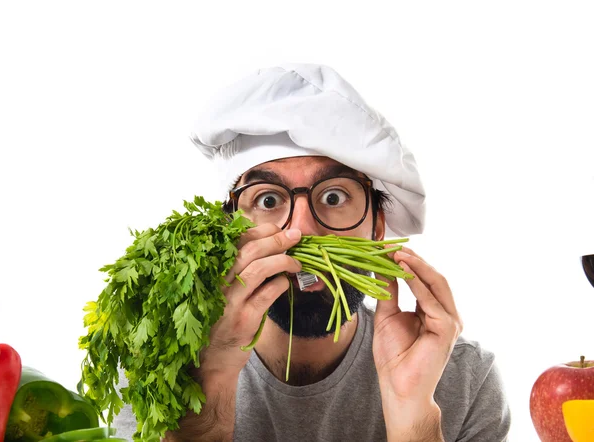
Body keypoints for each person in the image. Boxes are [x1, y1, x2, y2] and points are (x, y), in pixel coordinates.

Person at [115, 64, 511, 441]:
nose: (302, 230)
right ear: (228, 233)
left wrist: (413, 415)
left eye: (334, 196)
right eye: (268, 200)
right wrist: (207, 396)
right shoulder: (162, 368)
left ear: (377, 227)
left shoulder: (461, 379)